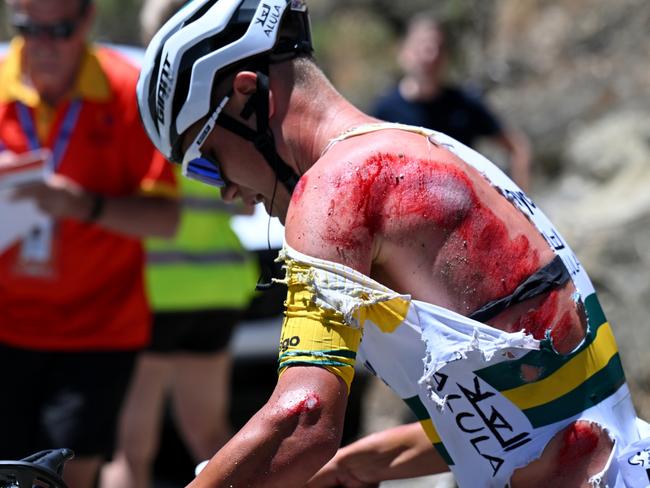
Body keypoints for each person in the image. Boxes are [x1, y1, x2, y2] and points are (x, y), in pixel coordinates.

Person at [136, 1, 650, 486]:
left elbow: (304, 419)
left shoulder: (334, 190)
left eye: (205, 159)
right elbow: (542, 396)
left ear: (250, 95)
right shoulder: (424, 146)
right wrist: (370, 459)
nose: (225, 191)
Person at [0, 0, 178, 487]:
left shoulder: (125, 91)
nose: (42, 43)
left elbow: (165, 220)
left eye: (58, 29)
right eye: (27, 28)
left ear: (86, 19)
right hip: (6, 328)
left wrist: (85, 206)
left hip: (98, 331)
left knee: (68, 478)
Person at [100, 4, 260, 487]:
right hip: (216, 289)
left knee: (130, 450)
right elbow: (245, 206)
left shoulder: (139, 105)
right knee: (210, 435)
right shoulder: (218, 105)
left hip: (152, 294)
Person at [373, 14, 532, 192]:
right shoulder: (385, 112)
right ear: (404, 52)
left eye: (438, 47)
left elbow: (517, 147)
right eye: (422, 46)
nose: (431, 53)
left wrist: (522, 207)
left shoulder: (465, 104)